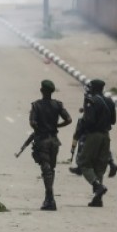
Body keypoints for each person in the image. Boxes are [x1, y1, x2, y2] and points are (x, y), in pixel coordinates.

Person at [28, 80, 73, 211]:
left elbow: (32, 122)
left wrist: (39, 127)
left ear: (42, 90)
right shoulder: (57, 105)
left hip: (42, 140)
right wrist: (56, 126)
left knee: (46, 170)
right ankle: (49, 198)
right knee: (51, 169)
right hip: (54, 140)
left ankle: (50, 198)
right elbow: (69, 120)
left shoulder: (36, 105)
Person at [78, 78, 117, 207]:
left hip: (93, 135)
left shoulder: (91, 101)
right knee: (100, 166)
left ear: (93, 88)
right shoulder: (109, 101)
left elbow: (89, 120)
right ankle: (97, 198)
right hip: (106, 135)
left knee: (83, 162)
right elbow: (113, 121)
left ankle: (97, 186)